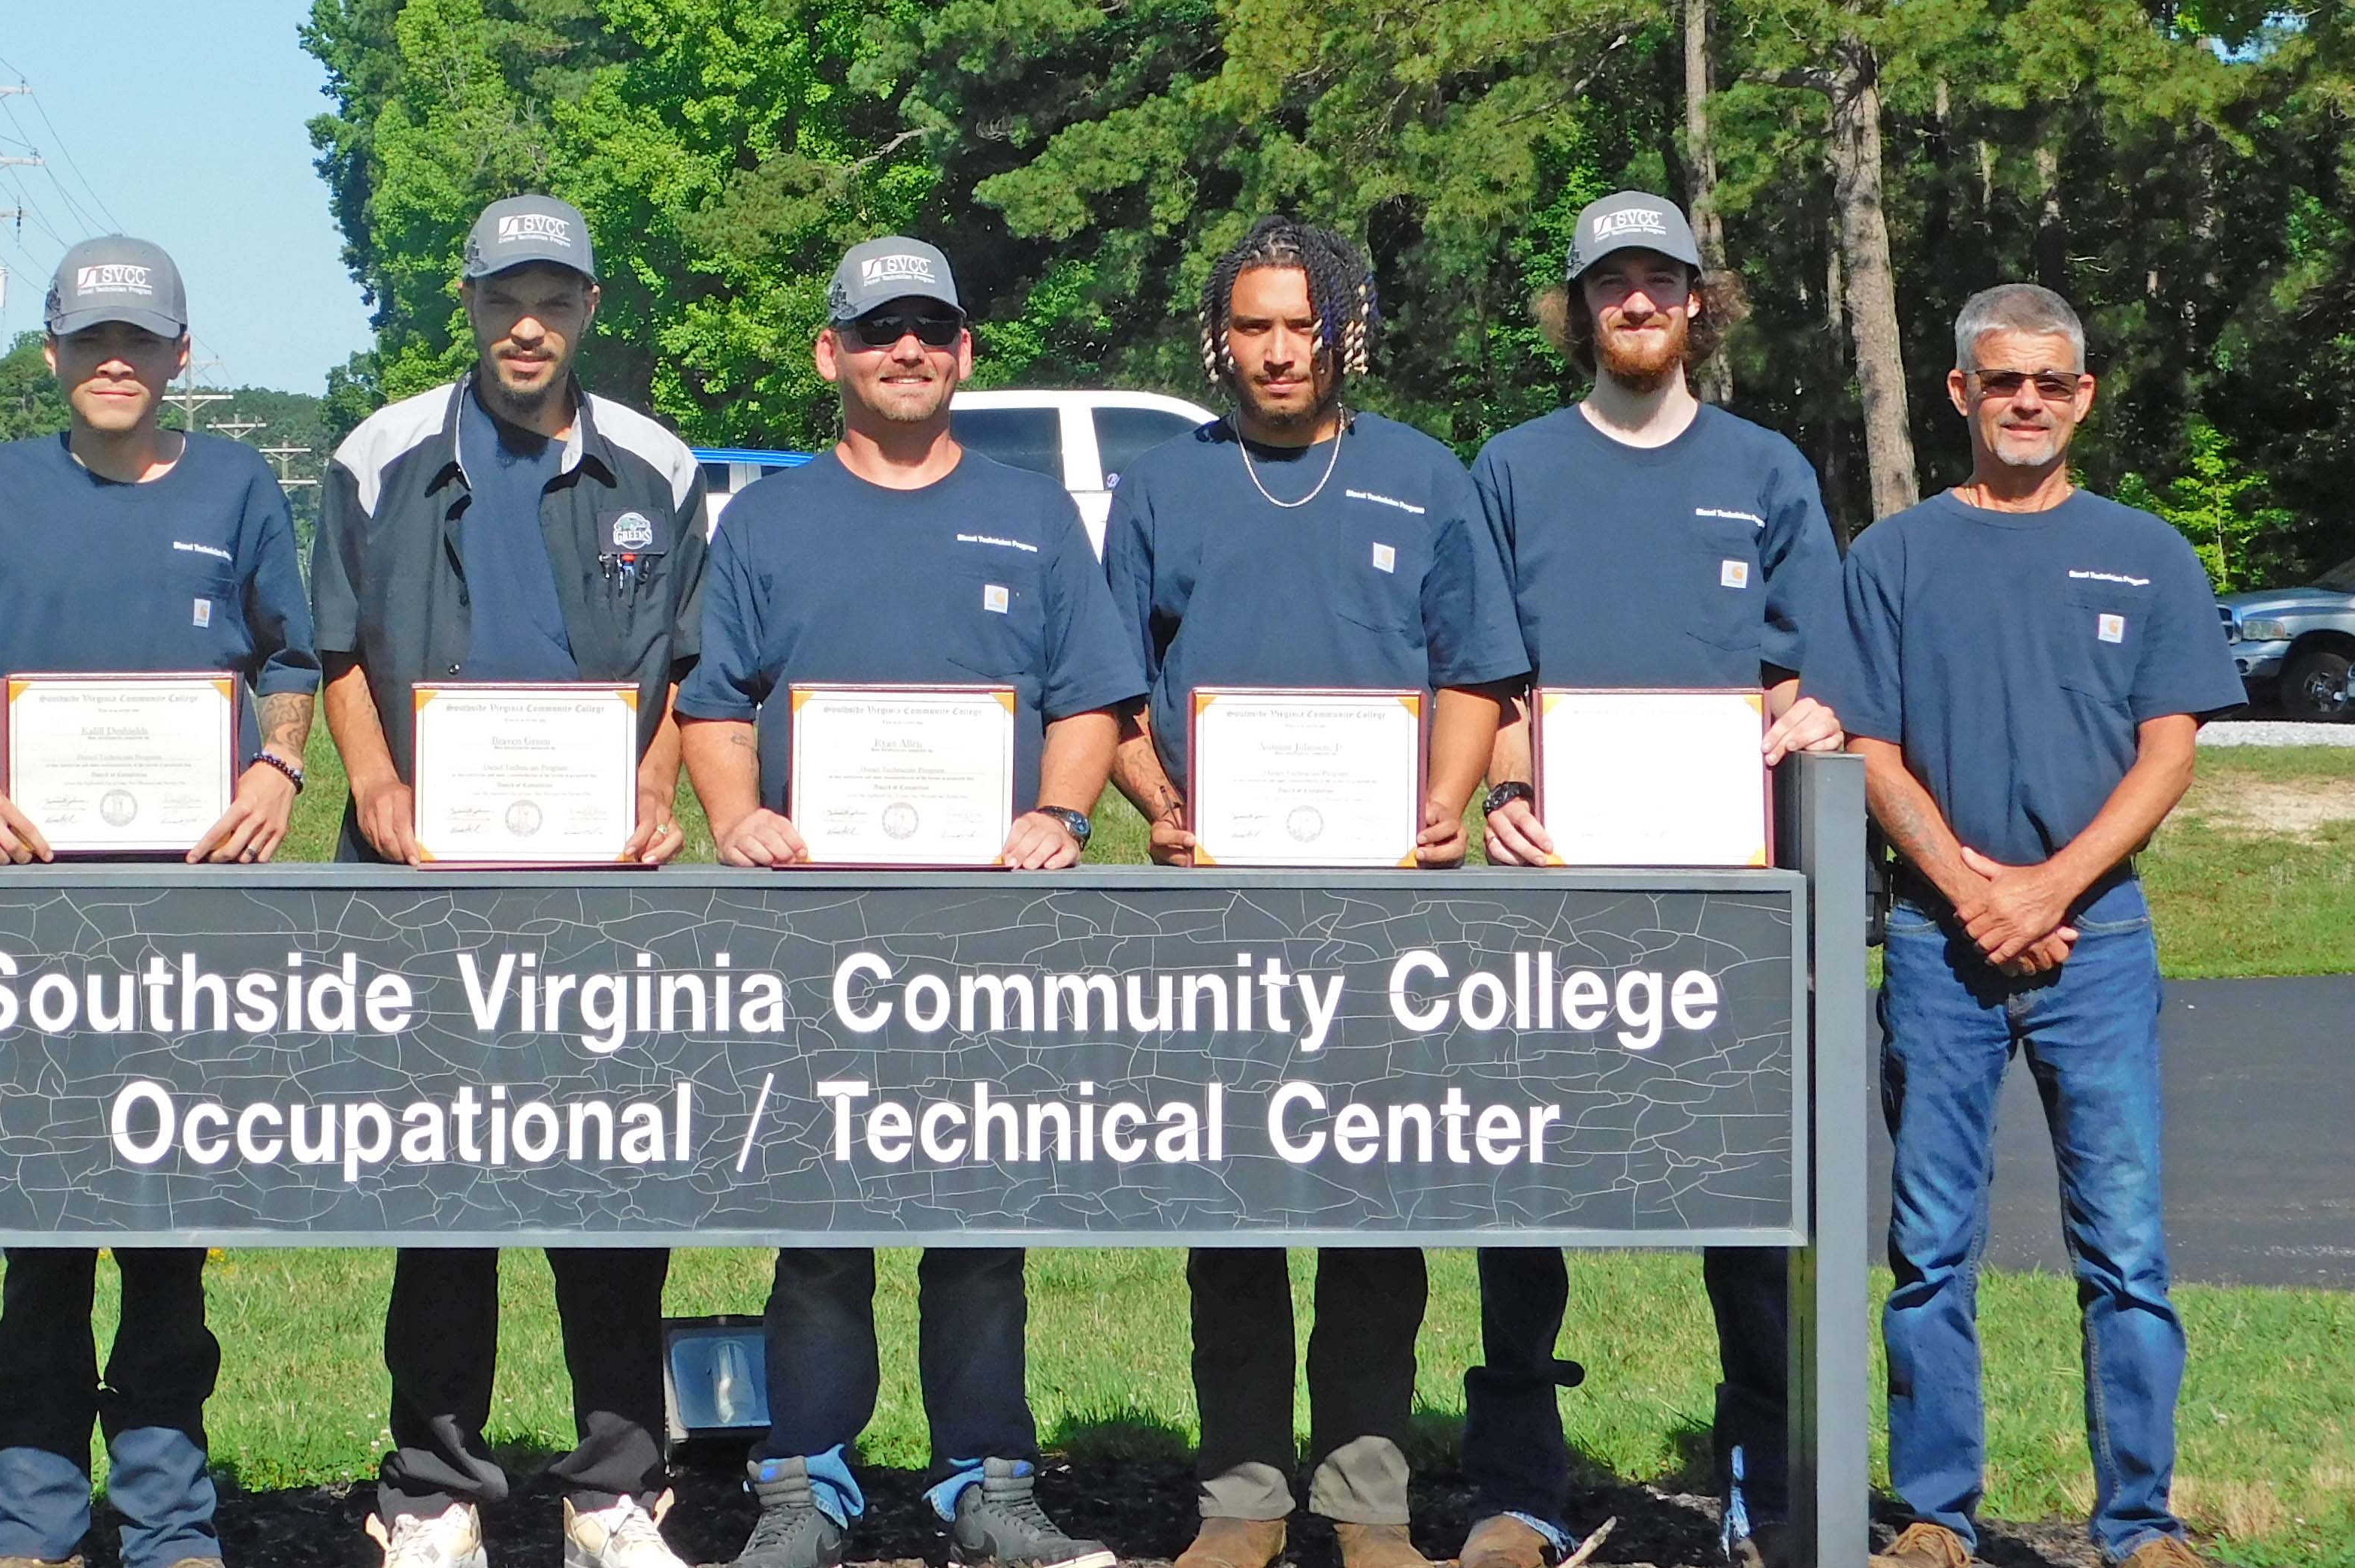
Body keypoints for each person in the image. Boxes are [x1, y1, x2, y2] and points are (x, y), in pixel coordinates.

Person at [682, 234, 1139, 1568]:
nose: (907, 350)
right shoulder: (766, 520)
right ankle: (801, 1482)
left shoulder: (1035, 514)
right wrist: (736, 815)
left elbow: (1090, 700)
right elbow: (713, 705)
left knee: (977, 1215)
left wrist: (1057, 816)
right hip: (816, 927)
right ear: (831, 354)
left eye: (930, 329)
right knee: (818, 1215)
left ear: (963, 352)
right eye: (879, 329)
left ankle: (983, 1485)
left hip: (983, 927)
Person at [0, 235, 314, 1568]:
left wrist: (277, 764)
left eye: (140, 342)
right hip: (32, 924)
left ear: (182, 357)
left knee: (172, 1245)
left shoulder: (239, 487)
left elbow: (290, 654)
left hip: (191, 926)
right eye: (87, 341)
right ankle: (36, 1525)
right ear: (53, 355)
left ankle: (171, 1527)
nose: (113, 362)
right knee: (43, 1242)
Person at [1098, 216, 1525, 1568]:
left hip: (1382, 908)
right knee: (1232, 1202)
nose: (1277, 351)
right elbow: (1108, 689)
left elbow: (1471, 670)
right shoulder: (1164, 487)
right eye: (1252, 327)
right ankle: (1239, 1500)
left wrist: (1445, 803)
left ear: (1345, 330)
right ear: (1216, 339)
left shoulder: (1423, 476)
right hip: (1215, 907)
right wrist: (1159, 811)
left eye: (1301, 325)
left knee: (1371, 1206)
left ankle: (1364, 1501)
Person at [312, 195, 706, 1568]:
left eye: (554, 298)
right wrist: (373, 786)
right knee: (443, 1188)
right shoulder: (379, 453)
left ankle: (613, 1484)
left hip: (598, 889)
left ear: (589, 309)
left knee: (608, 1180)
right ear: (464, 303)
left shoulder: (658, 462)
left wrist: (656, 791)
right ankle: (432, 1485)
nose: (526, 323)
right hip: (425, 878)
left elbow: (689, 671)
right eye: (501, 297)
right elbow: (336, 651)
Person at [1455, 192, 1846, 1568]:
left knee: (1740, 1193)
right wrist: (1504, 789)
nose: (1635, 303)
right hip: (1551, 890)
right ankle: (1515, 1486)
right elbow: (1486, 673)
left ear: (1697, 303)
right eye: (1609, 283)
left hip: (1721, 900)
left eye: (1660, 282)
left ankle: (1761, 1479)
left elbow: (1807, 666)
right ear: (1577, 307)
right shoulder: (1508, 468)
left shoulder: (1766, 469)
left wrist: (1805, 719)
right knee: (1527, 1183)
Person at [1819, 285, 2235, 1568]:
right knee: (1930, 1250)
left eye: (2050, 383)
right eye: (2002, 381)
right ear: (1957, 391)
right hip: (1943, 953)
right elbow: (1869, 749)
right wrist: (1974, 892)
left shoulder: (2148, 552)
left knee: (2123, 1252)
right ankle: (1937, 1516)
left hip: (2095, 945)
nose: (2025, 403)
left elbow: (2169, 750)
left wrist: (2048, 890)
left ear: (2083, 396)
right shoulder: (1891, 556)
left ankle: (2138, 1522)